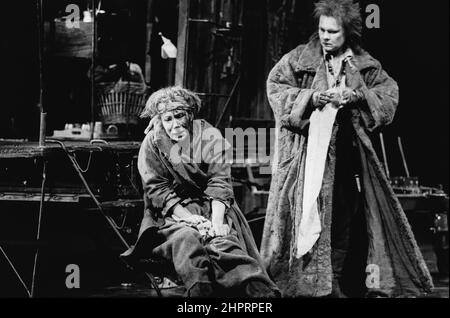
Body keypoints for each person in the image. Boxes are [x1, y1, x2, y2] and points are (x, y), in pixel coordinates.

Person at [260, 0, 433, 298]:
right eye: (322, 30)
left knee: (343, 216)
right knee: (302, 215)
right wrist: (312, 98)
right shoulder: (299, 59)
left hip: (347, 157)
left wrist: (356, 95)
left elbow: (388, 94)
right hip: (307, 159)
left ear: (347, 33)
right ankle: (302, 284)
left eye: (333, 32)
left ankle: (335, 281)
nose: (326, 36)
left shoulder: (363, 63)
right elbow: (275, 88)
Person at [122, 86, 280, 298]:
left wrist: (216, 222)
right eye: (168, 119)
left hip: (213, 207)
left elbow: (219, 181)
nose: (175, 124)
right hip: (171, 215)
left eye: (179, 116)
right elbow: (157, 189)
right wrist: (191, 220)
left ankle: (262, 296)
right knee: (188, 240)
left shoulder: (209, 136)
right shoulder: (153, 142)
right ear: (159, 120)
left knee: (223, 244)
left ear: (190, 114)